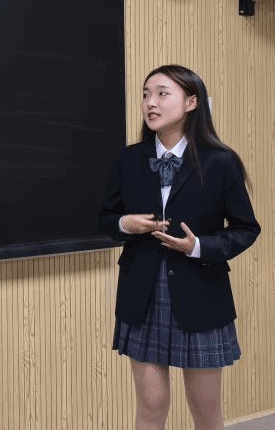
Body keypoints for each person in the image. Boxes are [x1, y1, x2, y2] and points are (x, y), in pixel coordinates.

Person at [98, 64, 260, 430]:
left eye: (161, 94)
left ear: (191, 102)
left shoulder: (221, 162)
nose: (150, 103)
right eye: (145, 95)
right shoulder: (128, 159)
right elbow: (106, 218)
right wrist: (126, 224)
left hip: (202, 296)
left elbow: (246, 229)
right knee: (151, 407)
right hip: (142, 296)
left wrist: (198, 246)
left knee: (206, 412)